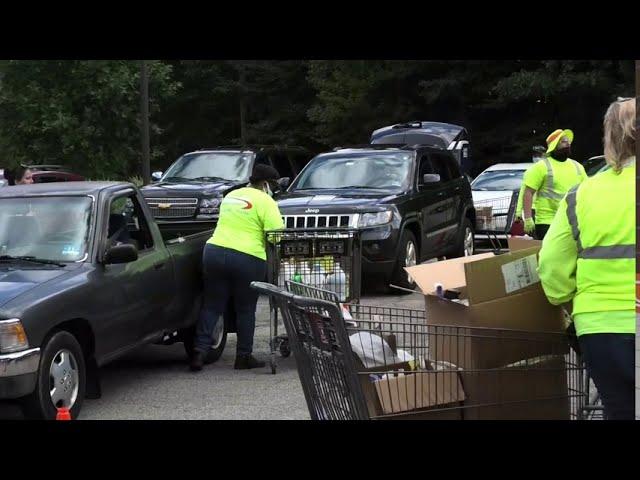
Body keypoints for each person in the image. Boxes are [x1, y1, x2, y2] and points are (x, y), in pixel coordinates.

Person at [538, 97, 635, 420]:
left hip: (600, 327)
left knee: (618, 409)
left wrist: (567, 301)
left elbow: (551, 266)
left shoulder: (582, 193)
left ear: (610, 137)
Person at [190, 164, 284, 371]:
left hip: (214, 251)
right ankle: (243, 356)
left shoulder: (231, 196)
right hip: (247, 257)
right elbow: (276, 234)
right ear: (266, 184)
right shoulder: (266, 201)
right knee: (245, 308)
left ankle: (199, 352)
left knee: (212, 305)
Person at [520, 130, 587, 239]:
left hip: (571, 221)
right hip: (547, 222)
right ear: (555, 145)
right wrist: (527, 218)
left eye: (568, 141)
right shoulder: (541, 167)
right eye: (563, 141)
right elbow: (528, 192)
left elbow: (586, 191)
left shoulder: (577, 166)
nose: (568, 143)